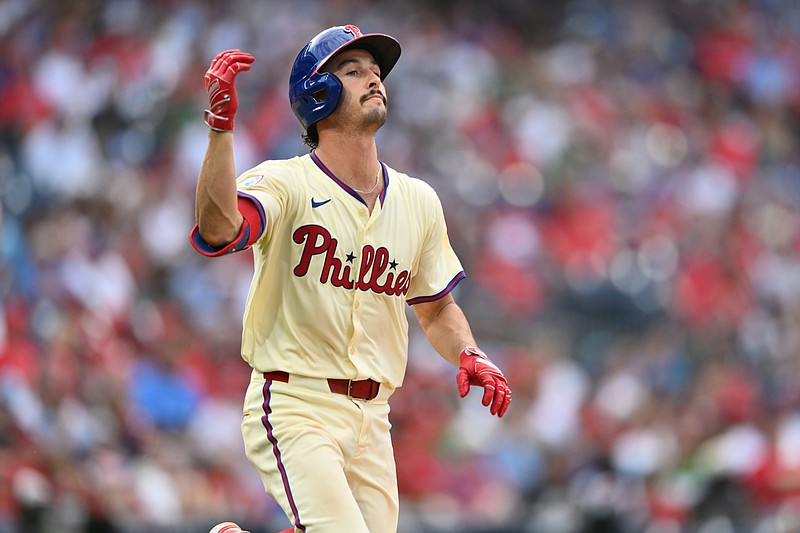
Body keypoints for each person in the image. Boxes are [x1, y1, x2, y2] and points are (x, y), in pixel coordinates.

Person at [192, 25, 512, 533]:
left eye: (376, 71)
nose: (374, 79)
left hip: (374, 416)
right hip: (296, 401)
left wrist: (470, 351)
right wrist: (219, 130)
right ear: (317, 93)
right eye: (354, 70)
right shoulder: (286, 181)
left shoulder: (417, 200)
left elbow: (436, 307)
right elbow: (220, 227)